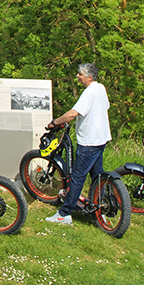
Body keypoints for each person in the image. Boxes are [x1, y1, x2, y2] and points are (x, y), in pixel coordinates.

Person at [44, 62, 111, 225]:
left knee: (77, 178)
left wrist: (55, 122)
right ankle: (100, 210)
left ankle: (64, 214)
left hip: (89, 142)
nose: (77, 77)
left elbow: (74, 113)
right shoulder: (101, 88)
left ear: (89, 77)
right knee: (98, 177)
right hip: (101, 140)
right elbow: (105, 107)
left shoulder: (89, 93)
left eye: (80, 74)